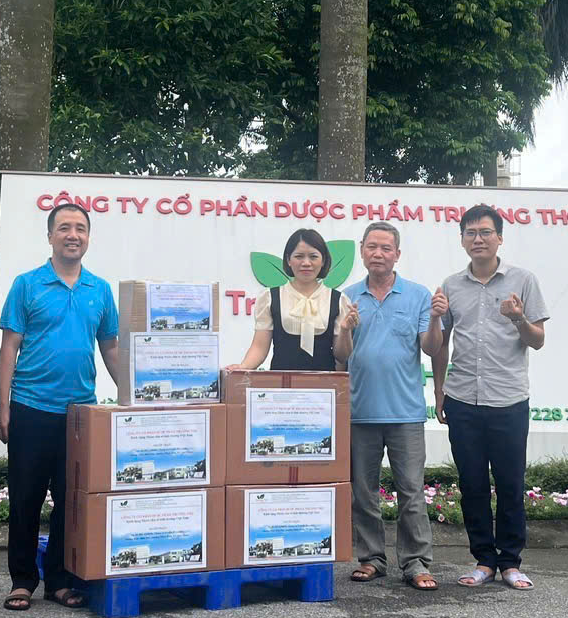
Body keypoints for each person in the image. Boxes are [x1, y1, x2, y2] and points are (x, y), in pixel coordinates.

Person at [0, 202, 120, 611]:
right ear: (50, 236)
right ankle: (22, 580)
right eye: (64, 227)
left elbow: (110, 347)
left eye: (80, 228)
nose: (73, 235)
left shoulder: (99, 289)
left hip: (80, 414)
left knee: (71, 501)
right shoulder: (27, 284)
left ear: (88, 237)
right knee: (25, 498)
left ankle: (60, 581)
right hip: (30, 406)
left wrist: (133, 395)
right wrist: (3, 406)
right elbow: (9, 348)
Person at [432, 204, 548, 590]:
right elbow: (441, 344)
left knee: (511, 483)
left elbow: (537, 340)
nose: (478, 239)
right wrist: (439, 391)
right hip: (462, 398)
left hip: (508, 399)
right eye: (470, 233)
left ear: (499, 237)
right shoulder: (451, 286)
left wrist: (517, 318)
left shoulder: (523, 280)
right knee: (472, 484)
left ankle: (511, 562)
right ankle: (483, 560)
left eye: (485, 232)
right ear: (462, 240)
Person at [337, 222, 445, 590]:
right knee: (363, 492)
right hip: (360, 411)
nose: (378, 254)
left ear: (397, 254)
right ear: (362, 250)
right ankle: (371, 559)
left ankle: (416, 563)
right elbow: (340, 356)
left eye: (386, 248)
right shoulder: (347, 297)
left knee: (411, 492)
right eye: (372, 247)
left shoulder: (418, 295)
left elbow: (431, 347)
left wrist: (435, 317)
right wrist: (345, 328)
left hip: (406, 412)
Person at [229, 228, 359, 372]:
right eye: (299, 256)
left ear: (323, 261)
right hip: (281, 382)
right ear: (288, 260)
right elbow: (259, 347)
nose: (306, 263)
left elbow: (342, 356)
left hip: (324, 383)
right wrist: (243, 367)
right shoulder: (270, 298)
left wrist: (345, 330)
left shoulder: (339, 300)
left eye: (313, 257)